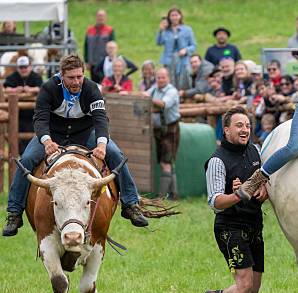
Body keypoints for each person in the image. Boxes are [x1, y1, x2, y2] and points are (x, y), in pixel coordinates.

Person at [2, 55, 148, 236]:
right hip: (53, 134)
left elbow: (101, 119)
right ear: (61, 75)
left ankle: (131, 204)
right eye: (71, 78)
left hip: (85, 133)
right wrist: (46, 141)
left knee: (115, 154)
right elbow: (40, 119)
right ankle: (14, 213)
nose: (76, 81)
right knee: (26, 160)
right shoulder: (48, 89)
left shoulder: (92, 89)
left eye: (79, 77)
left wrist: (101, 145)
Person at [204, 106, 268, 293]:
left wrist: (263, 190)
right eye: (239, 126)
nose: (245, 130)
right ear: (226, 129)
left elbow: (263, 180)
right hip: (230, 227)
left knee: (252, 289)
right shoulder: (217, 161)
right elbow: (215, 202)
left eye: (248, 125)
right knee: (244, 283)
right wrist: (239, 195)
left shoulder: (255, 150)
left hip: (254, 225)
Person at [147, 68, 181, 200]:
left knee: (166, 162)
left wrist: (148, 98)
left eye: (163, 77)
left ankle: (161, 196)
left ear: (168, 78)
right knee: (166, 162)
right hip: (159, 130)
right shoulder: (154, 89)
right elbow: (144, 94)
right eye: (158, 77)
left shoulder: (172, 91)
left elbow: (163, 104)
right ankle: (174, 194)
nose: (160, 80)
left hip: (170, 130)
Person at [3, 56, 43, 153]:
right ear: (17, 68)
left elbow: (40, 88)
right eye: (21, 67)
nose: (23, 69)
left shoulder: (36, 76)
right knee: (17, 141)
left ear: (30, 66)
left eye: (25, 67)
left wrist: (30, 90)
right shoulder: (13, 76)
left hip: (33, 115)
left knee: (33, 140)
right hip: (17, 116)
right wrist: (15, 90)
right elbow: (6, 88)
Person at [156, 6, 197, 87]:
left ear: (180, 16)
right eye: (172, 15)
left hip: (183, 61)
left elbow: (193, 45)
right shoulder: (166, 30)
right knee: (170, 82)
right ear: (169, 17)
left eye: (176, 15)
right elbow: (159, 42)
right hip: (169, 61)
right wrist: (160, 31)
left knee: (184, 81)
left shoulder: (187, 29)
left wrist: (186, 50)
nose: (174, 17)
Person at [84, 9, 115, 83]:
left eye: (103, 16)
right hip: (93, 63)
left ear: (106, 18)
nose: (101, 18)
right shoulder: (90, 30)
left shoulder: (109, 30)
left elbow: (113, 46)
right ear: (96, 17)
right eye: (99, 16)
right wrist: (87, 61)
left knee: (105, 82)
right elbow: (86, 46)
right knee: (94, 84)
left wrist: (112, 59)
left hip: (105, 63)